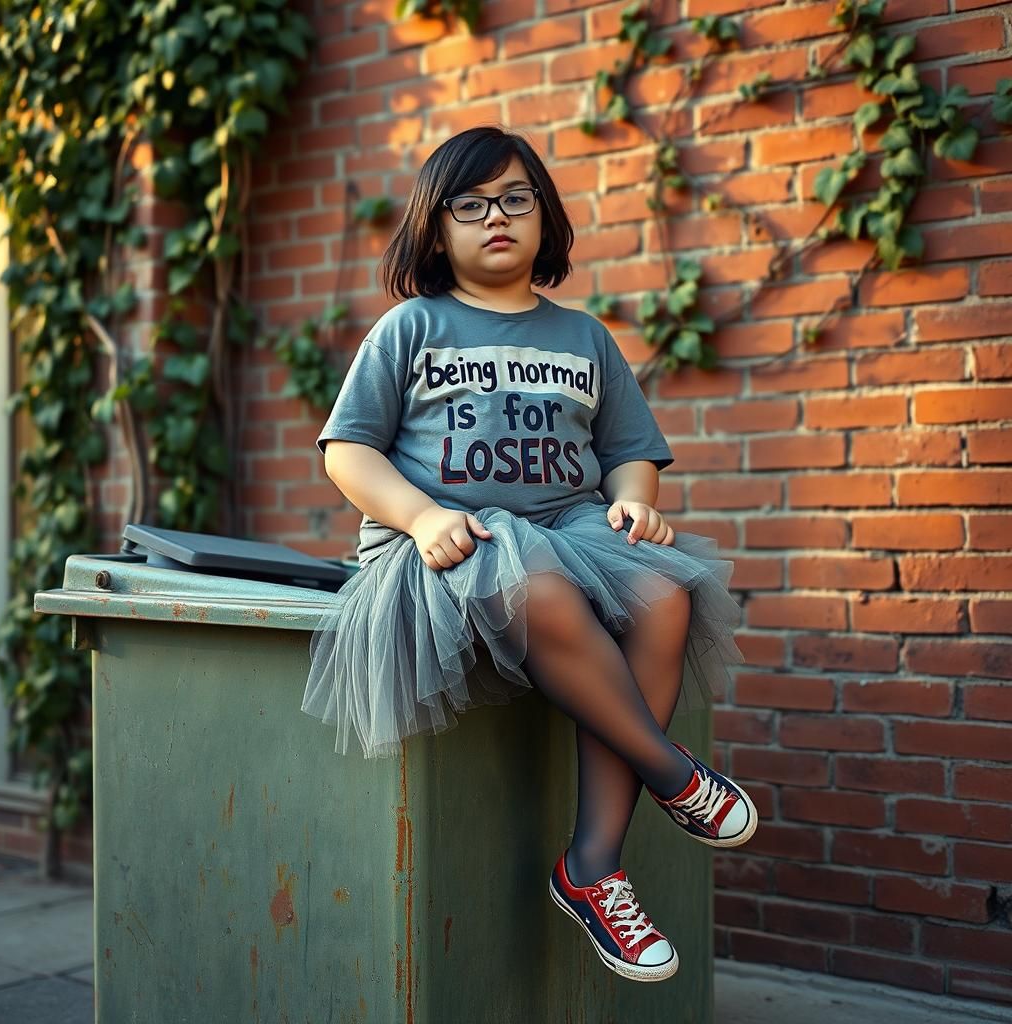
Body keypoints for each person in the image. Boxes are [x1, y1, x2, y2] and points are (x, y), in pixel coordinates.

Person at [302, 124, 757, 983]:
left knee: (664, 594)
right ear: (436, 230)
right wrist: (419, 514)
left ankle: (592, 867)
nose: (495, 217)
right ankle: (672, 773)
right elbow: (348, 450)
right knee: (537, 583)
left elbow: (630, 450)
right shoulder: (412, 327)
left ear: (544, 216)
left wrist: (632, 504)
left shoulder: (584, 337)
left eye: (515, 199)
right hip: (447, 539)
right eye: (468, 206)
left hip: (571, 526)